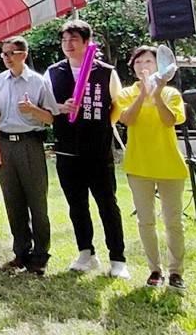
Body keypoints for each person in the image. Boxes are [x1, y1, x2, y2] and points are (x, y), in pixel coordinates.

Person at [44, 20, 129, 278]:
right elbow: (48, 108)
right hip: (67, 149)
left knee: (107, 203)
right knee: (76, 204)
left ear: (86, 43)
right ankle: (86, 251)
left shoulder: (104, 71)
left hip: (98, 150)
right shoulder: (53, 72)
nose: (68, 45)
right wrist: (61, 108)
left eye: (74, 40)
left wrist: (102, 126)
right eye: (64, 41)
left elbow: (118, 104)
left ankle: (118, 258)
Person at [114, 45, 187, 292]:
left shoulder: (172, 94)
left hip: (170, 166)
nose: (144, 66)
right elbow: (126, 119)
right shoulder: (126, 93)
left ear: (158, 65)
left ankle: (176, 272)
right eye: (138, 62)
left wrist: (155, 95)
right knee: (146, 221)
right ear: (133, 68)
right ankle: (154, 270)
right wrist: (142, 94)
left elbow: (170, 121)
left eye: (149, 61)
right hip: (139, 165)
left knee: (173, 221)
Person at [0, 36, 59, 275]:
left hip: (30, 143)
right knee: (13, 202)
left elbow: (51, 118)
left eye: (11, 53)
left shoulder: (38, 82)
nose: (7, 58)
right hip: (5, 145)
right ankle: (20, 252)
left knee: (37, 203)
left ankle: (40, 255)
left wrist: (32, 110)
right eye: (4, 54)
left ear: (23, 54)